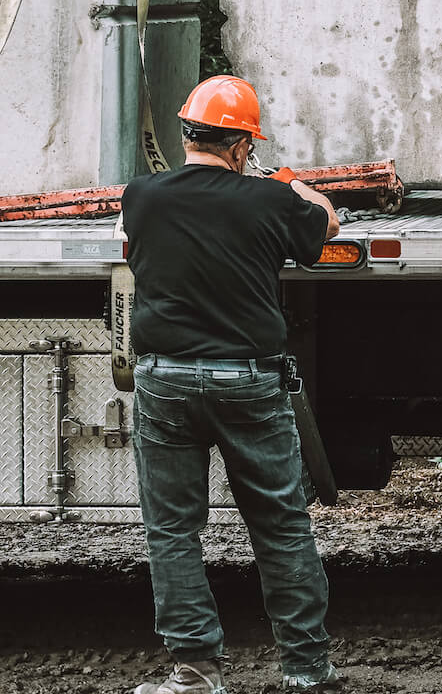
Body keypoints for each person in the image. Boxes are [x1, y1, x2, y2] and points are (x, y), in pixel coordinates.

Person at [123, 75, 342, 694]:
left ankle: (195, 672)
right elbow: (322, 224)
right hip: (248, 383)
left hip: (164, 384)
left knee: (172, 530)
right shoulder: (268, 201)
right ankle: (305, 669)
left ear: (186, 132)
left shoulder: (142, 196)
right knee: (280, 525)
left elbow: (134, 247)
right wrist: (288, 182)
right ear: (243, 145)